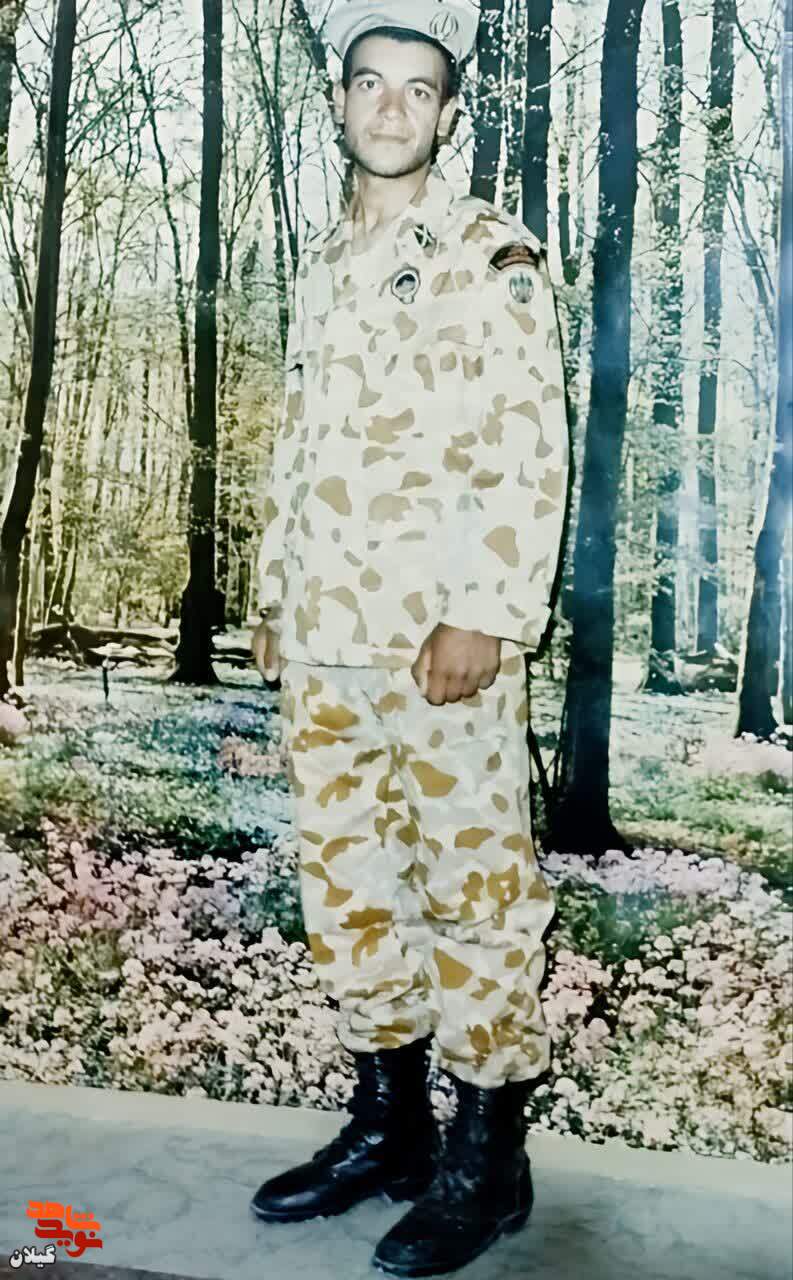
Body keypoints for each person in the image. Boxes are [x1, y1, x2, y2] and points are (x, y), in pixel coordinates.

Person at [249, 2, 571, 1274]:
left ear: (448, 112)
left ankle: (487, 1160)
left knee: (477, 891)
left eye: (416, 88)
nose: (390, 107)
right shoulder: (324, 261)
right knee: (349, 884)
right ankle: (388, 1125)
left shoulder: (491, 253)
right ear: (339, 101)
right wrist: (273, 591)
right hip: (326, 634)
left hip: (442, 643)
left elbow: (526, 443)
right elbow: (298, 442)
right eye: (370, 83)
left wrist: (485, 610)